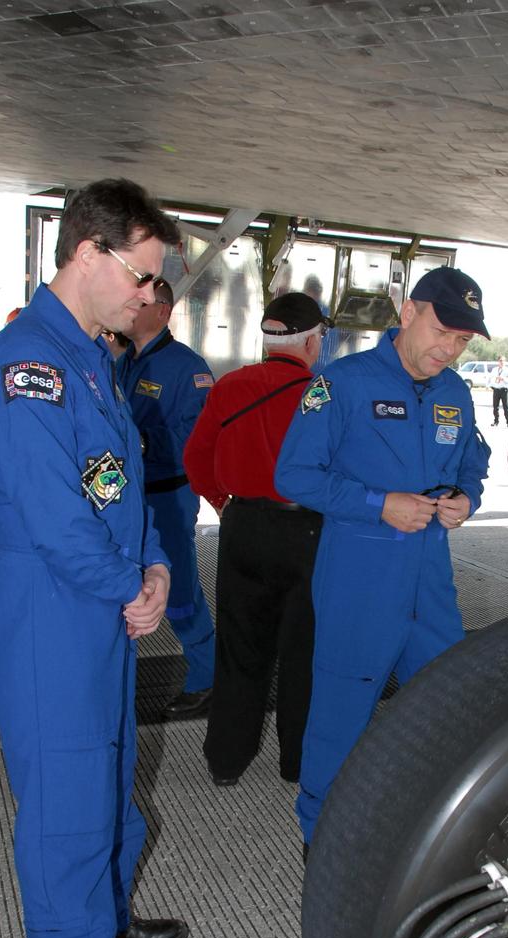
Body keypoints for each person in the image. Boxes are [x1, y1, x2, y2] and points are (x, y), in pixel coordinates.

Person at [0, 178, 188, 938]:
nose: (148, 295)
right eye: (140, 276)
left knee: (107, 772)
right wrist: (124, 584)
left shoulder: (94, 356)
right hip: (53, 607)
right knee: (65, 801)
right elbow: (57, 515)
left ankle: (106, 913)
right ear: (89, 254)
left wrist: (160, 567)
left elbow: (119, 486)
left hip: (100, 598)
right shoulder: (27, 362)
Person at [275, 265, 491, 848]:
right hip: (359, 575)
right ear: (408, 312)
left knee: (444, 708)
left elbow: (473, 459)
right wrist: (378, 504)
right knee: (341, 716)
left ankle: (424, 833)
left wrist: (466, 496)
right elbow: (293, 474)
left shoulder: (455, 391)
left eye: (463, 341)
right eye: (443, 331)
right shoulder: (341, 382)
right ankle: (323, 840)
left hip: (431, 580)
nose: (449, 349)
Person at [183, 292, 327, 785]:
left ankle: (226, 760)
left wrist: (224, 503)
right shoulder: (324, 393)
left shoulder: (231, 386)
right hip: (308, 532)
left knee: (240, 647)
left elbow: (197, 458)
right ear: (312, 342)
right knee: (302, 652)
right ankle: (297, 763)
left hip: (243, 528)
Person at [117, 277, 216, 717]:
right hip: (128, 497)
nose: (132, 307)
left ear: (163, 310)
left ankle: (207, 677)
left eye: (142, 301)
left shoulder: (188, 368)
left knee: (177, 593)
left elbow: (193, 439)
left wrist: (136, 441)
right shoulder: (124, 362)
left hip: (168, 498)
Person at [491, 357, 508, 427]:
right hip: (496, 389)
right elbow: (491, 378)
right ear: (498, 361)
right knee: (495, 407)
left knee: (505, 407)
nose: (501, 362)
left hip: (504, 390)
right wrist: (492, 385)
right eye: (500, 361)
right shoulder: (494, 370)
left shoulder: (507, 370)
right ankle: (496, 421)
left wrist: (503, 378)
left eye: (503, 361)